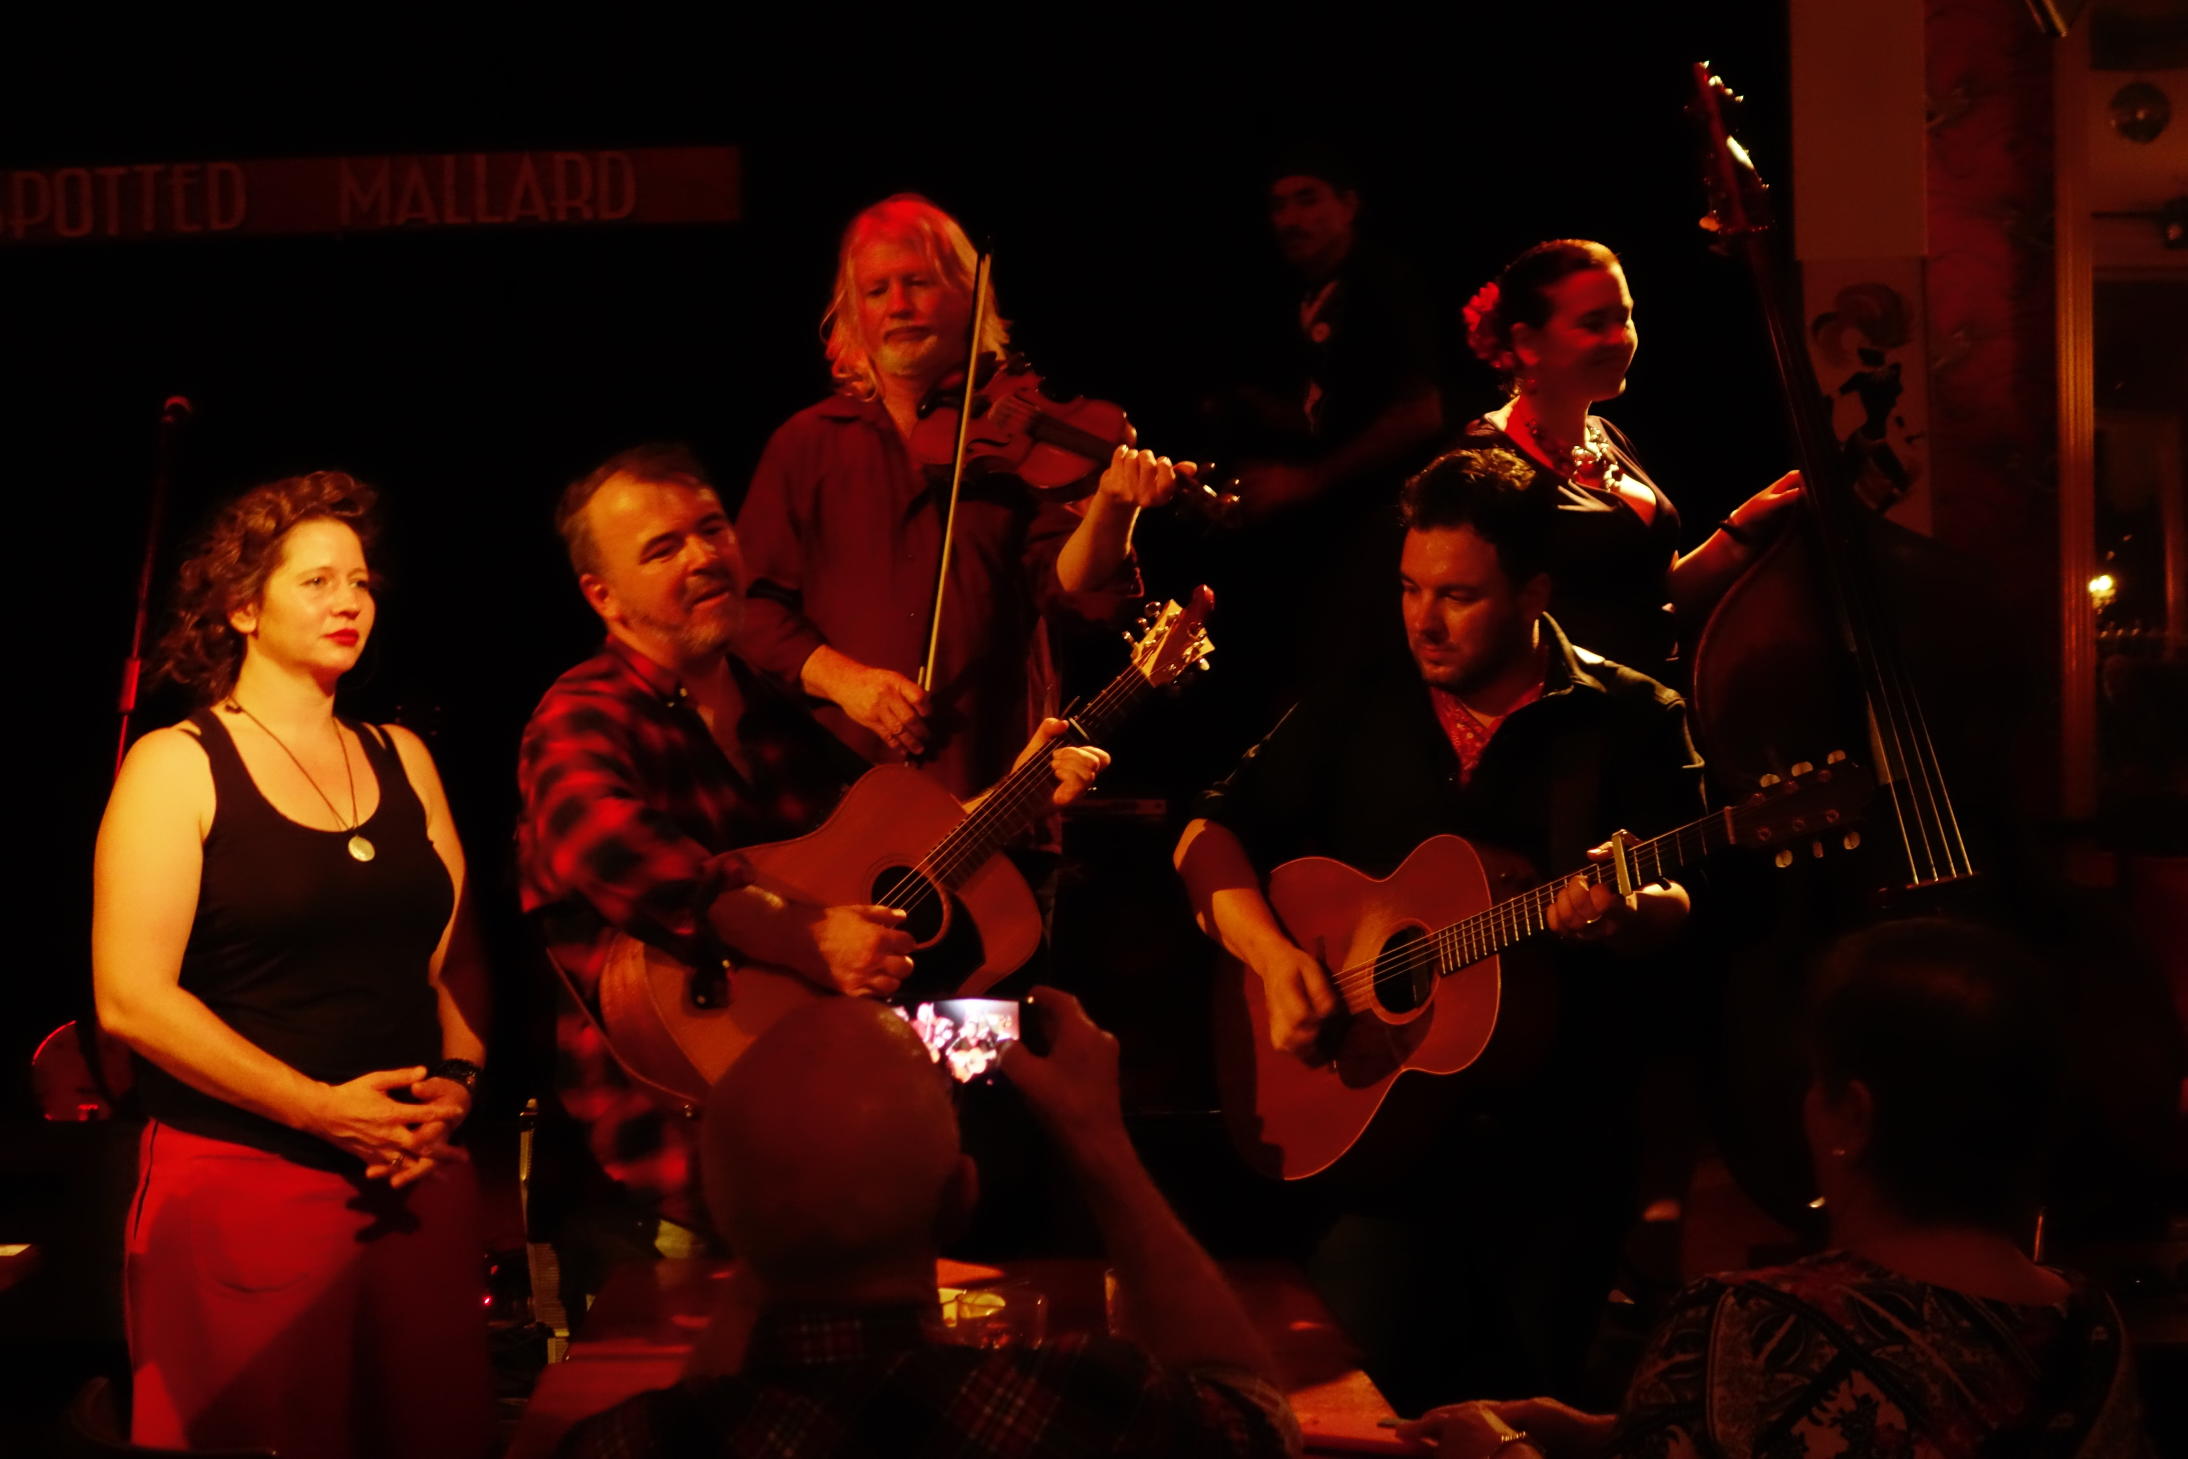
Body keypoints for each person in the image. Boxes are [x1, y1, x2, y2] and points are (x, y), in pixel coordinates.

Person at [1174, 445, 1706, 1413]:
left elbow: (1689, 911)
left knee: (1524, 1421)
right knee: (1352, 1411)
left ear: (1534, 592)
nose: (1423, 620)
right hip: (1377, 1158)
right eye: (1410, 588)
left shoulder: (1630, 719)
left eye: (1457, 596)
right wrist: (1277, 960)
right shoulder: (1361, 697)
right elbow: (1207, 834)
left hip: (1555, 1161)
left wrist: (1626, 913)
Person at [518, 444, 1110, 1274]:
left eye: (712, 529)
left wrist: (1012, 797)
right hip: (676, 1175)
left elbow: (872, 867)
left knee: (1039, 1049)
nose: (703, 557)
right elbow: (617, 850)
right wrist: (807, 937)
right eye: (663, 548)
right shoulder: (581, 717)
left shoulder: (770, 708)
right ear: (602, 596)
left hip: (824, 1149)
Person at [1397, 919, 2156, 1459]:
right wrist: (1607, 1433)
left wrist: (1498, 1448)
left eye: (1817, 1081)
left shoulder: (1749, 1324)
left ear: (1853, 1116)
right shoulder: (2093, 1327)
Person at [92, 471, 490, 1459]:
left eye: (359, 581)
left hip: (412, 1175)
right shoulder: (177, 764)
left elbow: (447, 961)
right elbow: (130, 1000)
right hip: (247, 1186)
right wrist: (320, 1108)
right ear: (243, 606)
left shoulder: (402, 755)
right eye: (316, 581)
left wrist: (456, 1083)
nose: (349, 600)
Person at [553, 990, 1302, 1458]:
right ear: (959, 1199)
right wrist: (1098, 1140)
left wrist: (775, 1210)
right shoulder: (1087, 1403)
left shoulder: (622, 1443)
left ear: (726, 1213)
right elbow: (1258, 1420)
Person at [734, 192, 1179, 809]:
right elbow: (750, 607)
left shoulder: (1018, 440)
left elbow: (1077, 595)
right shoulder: (805, 444)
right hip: (838, 800)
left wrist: (1113, 507)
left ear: (969, 296)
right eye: (877, 291)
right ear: (853, 314)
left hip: (996, 789)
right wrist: (846, 681)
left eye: (917, 283)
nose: (899, 306)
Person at [1457, 238, 1801, 682]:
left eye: (1625, 318)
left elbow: (1655, 592)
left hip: (1658, 698)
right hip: (1583, 713)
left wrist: (1741, 529)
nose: (1619, 339)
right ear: (1527, 342)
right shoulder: (1486, 464)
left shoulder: (1606, 435)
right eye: (1593, 324)